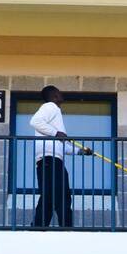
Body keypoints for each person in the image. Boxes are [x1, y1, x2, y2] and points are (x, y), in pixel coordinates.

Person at [29, 85, 91, 228]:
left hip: (54, 160)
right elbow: (35, 122)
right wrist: (56, 133)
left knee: (55, 196)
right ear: (55, 96)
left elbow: (62, 146)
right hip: (49, 160)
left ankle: (44, 227)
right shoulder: (50, 107)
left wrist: (80, 151)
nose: (62, 94)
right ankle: (59, 227)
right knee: (56, 195)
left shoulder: (55, 115)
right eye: (59, 93)